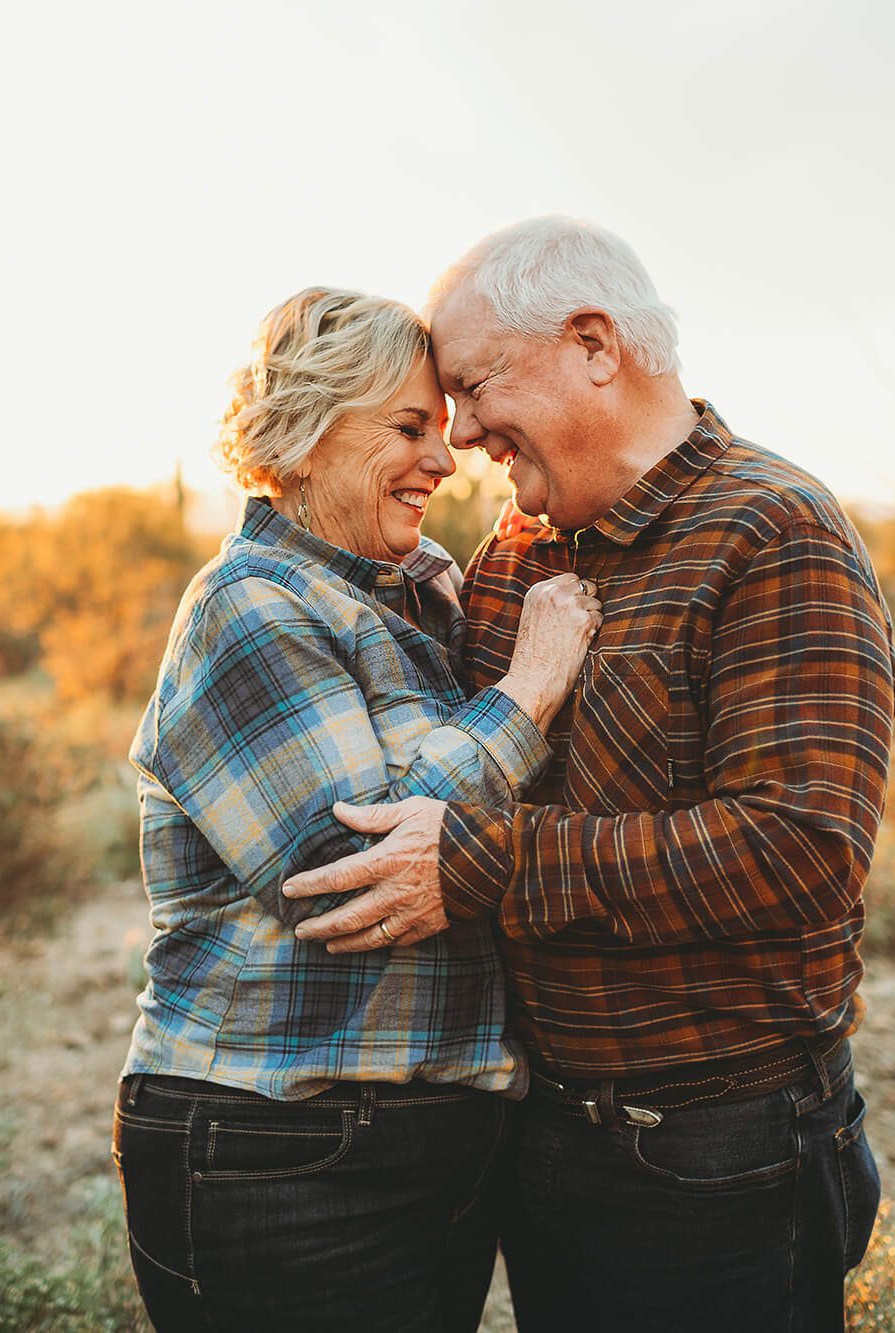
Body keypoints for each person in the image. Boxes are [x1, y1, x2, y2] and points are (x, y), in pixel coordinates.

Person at [286, 218, 895, 1330]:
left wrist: (484, 863)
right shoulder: (512, 559)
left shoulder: (773, 532)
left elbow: (796, 849)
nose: (462, 432)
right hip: (540, 1132)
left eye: (473, 387)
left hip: (718, 1152)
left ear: (592, 346)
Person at [113, 287, 602, 1332]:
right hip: (276, 1149)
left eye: (444, 426)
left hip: (438, 1139)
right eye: (407, 427)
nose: (445, 457)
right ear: (301, 431)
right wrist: (527, 688)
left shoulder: (420, 591)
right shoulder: (248, 606)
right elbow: (345, 875)